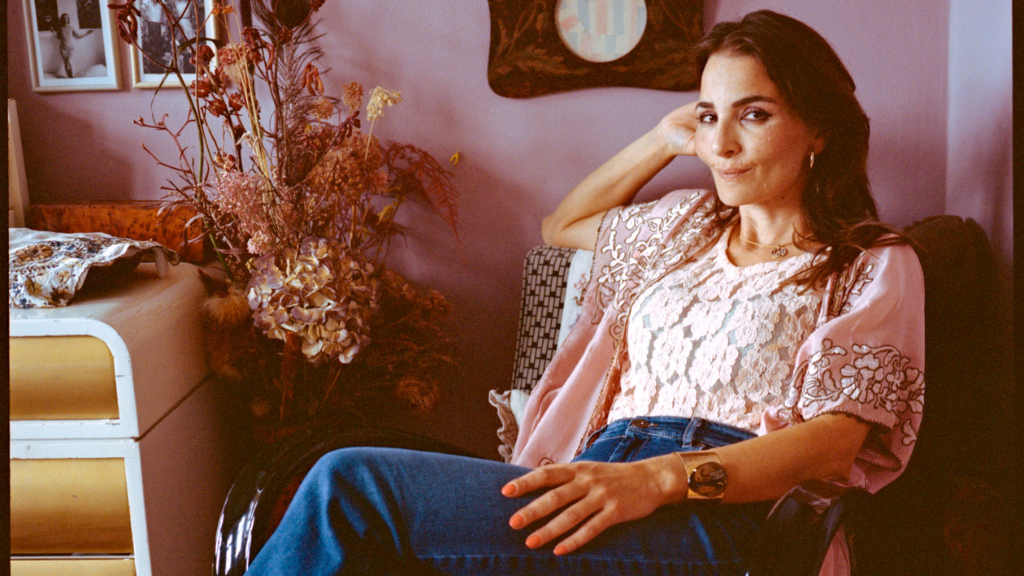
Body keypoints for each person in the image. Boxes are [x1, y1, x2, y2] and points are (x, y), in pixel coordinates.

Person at [243, 10, 925, 576]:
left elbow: (835, 442)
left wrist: (660, 480)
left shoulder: (870, 263)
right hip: (597, 471)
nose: (721, 143)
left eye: (753, 115)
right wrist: (661, 139)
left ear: (820, 129)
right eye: (709, 116)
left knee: (348, 487)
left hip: (724, 512)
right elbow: (562, 225)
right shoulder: (681, 226)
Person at [51, 13, 94, 78]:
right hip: (63, 49)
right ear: (63, 19)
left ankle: (71, 77)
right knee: (66, 64)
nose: (66, 19)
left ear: (68, 19)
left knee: (69, 62)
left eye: (67, 18)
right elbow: (58, 38)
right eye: (64, 18)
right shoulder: (61, 28)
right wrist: (53, 31)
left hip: (71, 49)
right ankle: (70, 78)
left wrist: (86, 33)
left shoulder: (71, 28)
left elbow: (78, 36)